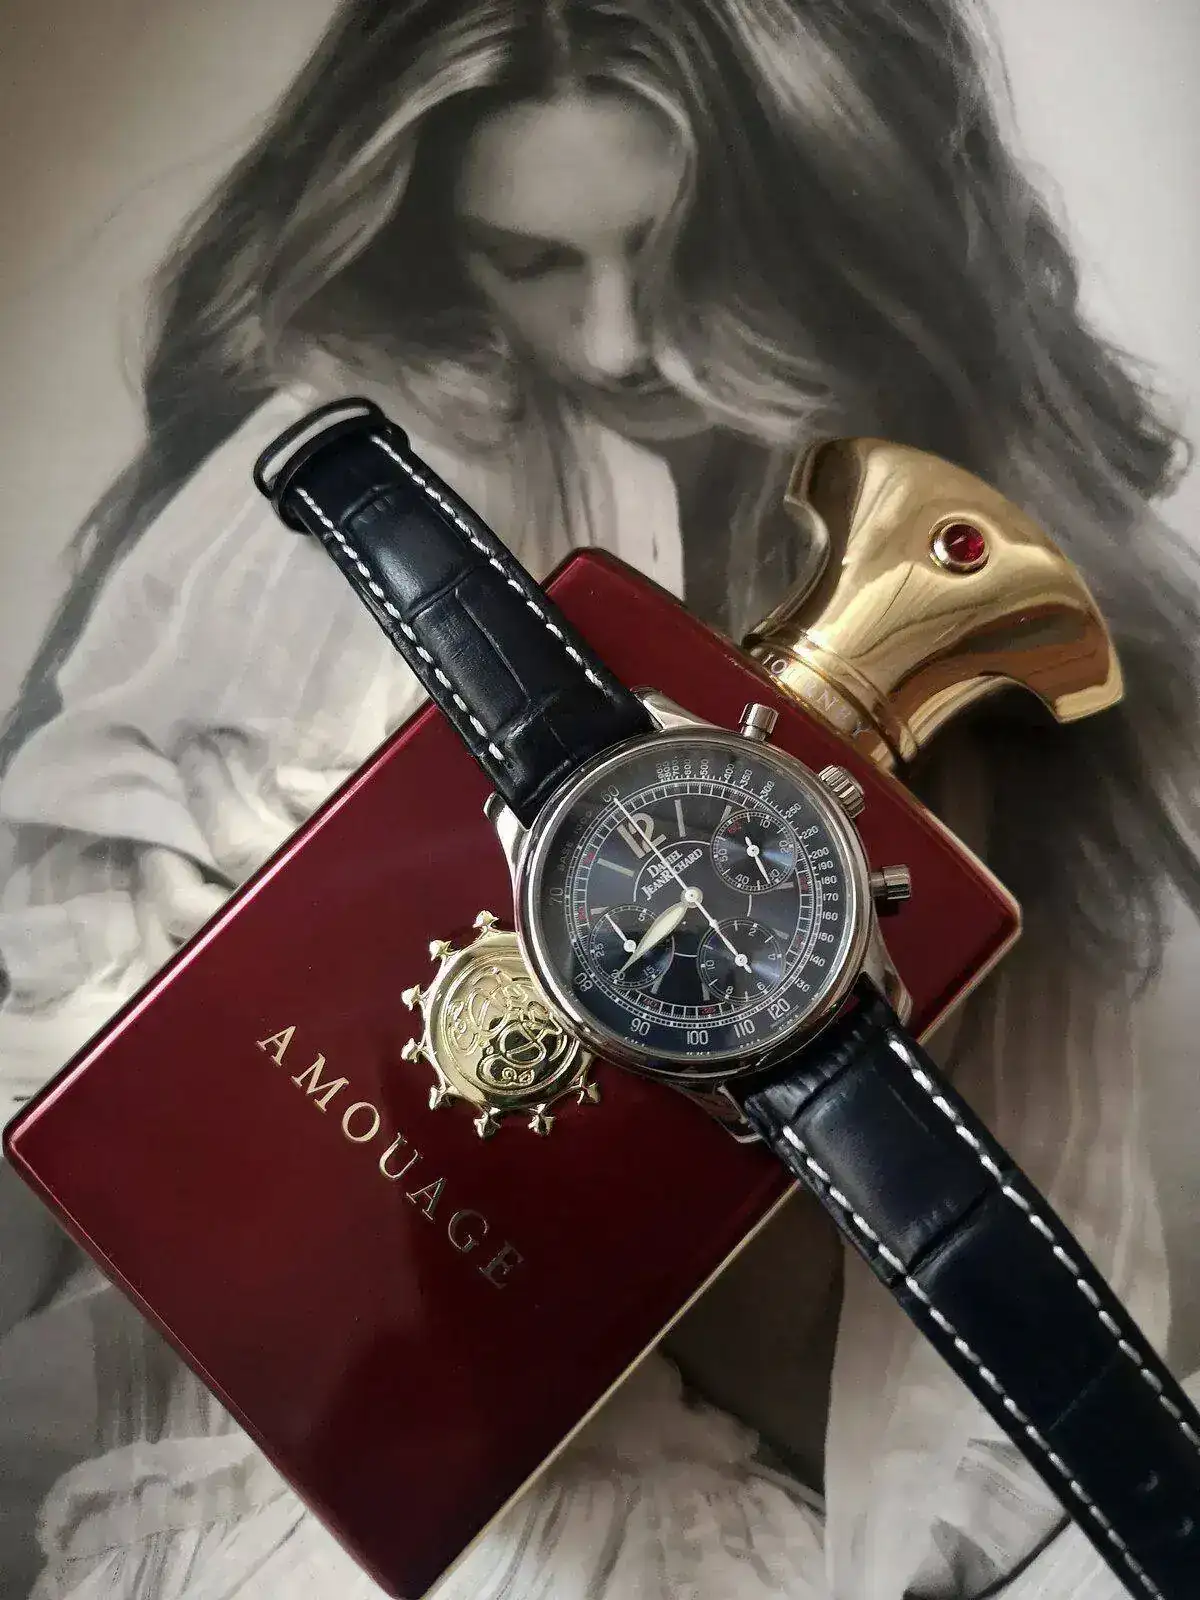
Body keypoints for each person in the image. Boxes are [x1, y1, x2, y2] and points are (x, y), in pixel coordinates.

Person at [0, 0, 1198, 1595]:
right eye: (532, 260)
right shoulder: (362, 520)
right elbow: (93, 1110)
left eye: (687, 256)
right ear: (437, 243)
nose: (622, 339)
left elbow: (968, 1423)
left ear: (832, 228)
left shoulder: (990, 799)